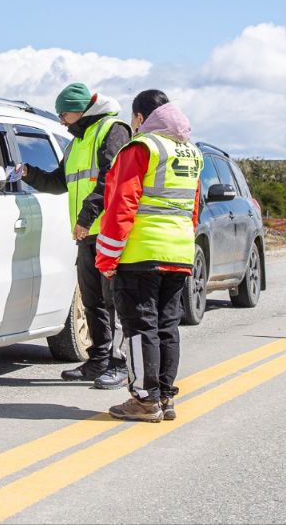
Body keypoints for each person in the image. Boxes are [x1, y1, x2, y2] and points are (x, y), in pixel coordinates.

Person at [95, 89, 203, 422]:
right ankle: (165, 396)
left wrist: (107, 257)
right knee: (167, 326)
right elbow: (193, 208)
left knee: (140, 327)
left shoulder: (141, 147)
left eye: (133, 118)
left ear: (141, 118)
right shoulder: (191, 152)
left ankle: (144, 400)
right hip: (179, 250)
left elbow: (121, 204)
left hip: (142, 252)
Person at [20, 82, 132, 389]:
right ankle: (98, 360)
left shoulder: (113, 130)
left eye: (64, 114)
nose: (61, 121)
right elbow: (59, 181)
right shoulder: (76, 142)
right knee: (92, 300)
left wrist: (86, 217)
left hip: (110, 232)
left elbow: (111, 179)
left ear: (81, 110)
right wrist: (29, 173)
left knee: (114, 302)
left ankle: (120, 365)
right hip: (88, 236)